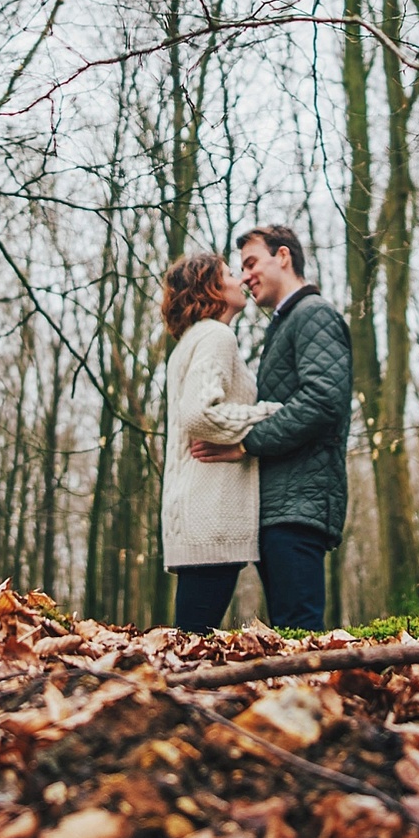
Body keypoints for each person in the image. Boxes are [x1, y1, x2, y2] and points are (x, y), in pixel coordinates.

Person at [186, 221, 353, 632]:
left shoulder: (313, 314)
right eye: (241, 268)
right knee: (288, 633)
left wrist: (247, 445)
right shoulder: (287, 322)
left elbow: (322, 401)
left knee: (299, 631)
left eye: (251, 262)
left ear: (283, 256)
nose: (245, 275)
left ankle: (313, 698)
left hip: (300, 504)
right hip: (281, 503)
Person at [157, 248, 265, 634]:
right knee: (192, 638)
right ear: (212, 287)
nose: (241, 280)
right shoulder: (217, 336)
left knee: (187, 635)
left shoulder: (190, 341)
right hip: (209, 513)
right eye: (230, 274)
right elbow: (200, 413)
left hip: (193, 511)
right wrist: (267, 415)